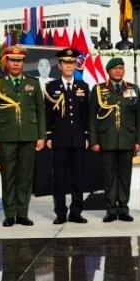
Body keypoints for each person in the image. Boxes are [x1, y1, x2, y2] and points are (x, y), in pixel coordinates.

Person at [0, 44, 45, 227]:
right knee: (8, 176)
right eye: (12, 60)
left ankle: (22, 213)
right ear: (6, 61)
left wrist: (41, 136)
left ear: (23, 63)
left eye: (19, 61)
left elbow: (40, 111)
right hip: (6, 136)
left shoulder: (33, 83)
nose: (15, 64)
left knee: (25, 177)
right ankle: (9, 214)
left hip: (28, 135)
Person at [89, 56, 140, 222]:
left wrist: (139, 140)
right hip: (107, 139)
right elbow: (91, 118)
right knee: (109, 176)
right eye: (115, 68)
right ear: (108, 71)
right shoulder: (98, 89)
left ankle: (123, 208)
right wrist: (94, 140)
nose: (118, 71)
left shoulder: (133, 88)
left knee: (125, 176)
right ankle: (111, 209)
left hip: (127, 138)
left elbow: (139, 115)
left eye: (121, 68)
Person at [45, 47, 89, 225]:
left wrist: (86, 135)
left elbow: (86, 113)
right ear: (60, 65)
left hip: (78, 138)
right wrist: (48, 135)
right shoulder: (52, 86)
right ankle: (61, 212)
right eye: (66, 63)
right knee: (60, 177)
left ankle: (76, 212)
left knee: (78, 176)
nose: (69, 66)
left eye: (72, 63)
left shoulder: (83, 86)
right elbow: (48, 113)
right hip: (59, 138)